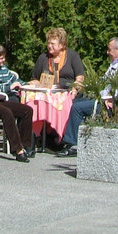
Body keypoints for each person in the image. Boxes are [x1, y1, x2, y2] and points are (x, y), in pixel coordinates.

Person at [33, 28, 88, 157]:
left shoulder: (72, 56)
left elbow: (80, 77)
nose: (49, 46)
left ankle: (62, 138)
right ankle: (38, 137)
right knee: (36, 102)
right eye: (48, 43)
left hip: (68, 92)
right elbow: (35, 78)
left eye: (53, 43)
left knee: (64, 104)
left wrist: (75, 89)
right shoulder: (43, 58)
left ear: (62, 45)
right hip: (48, 93)